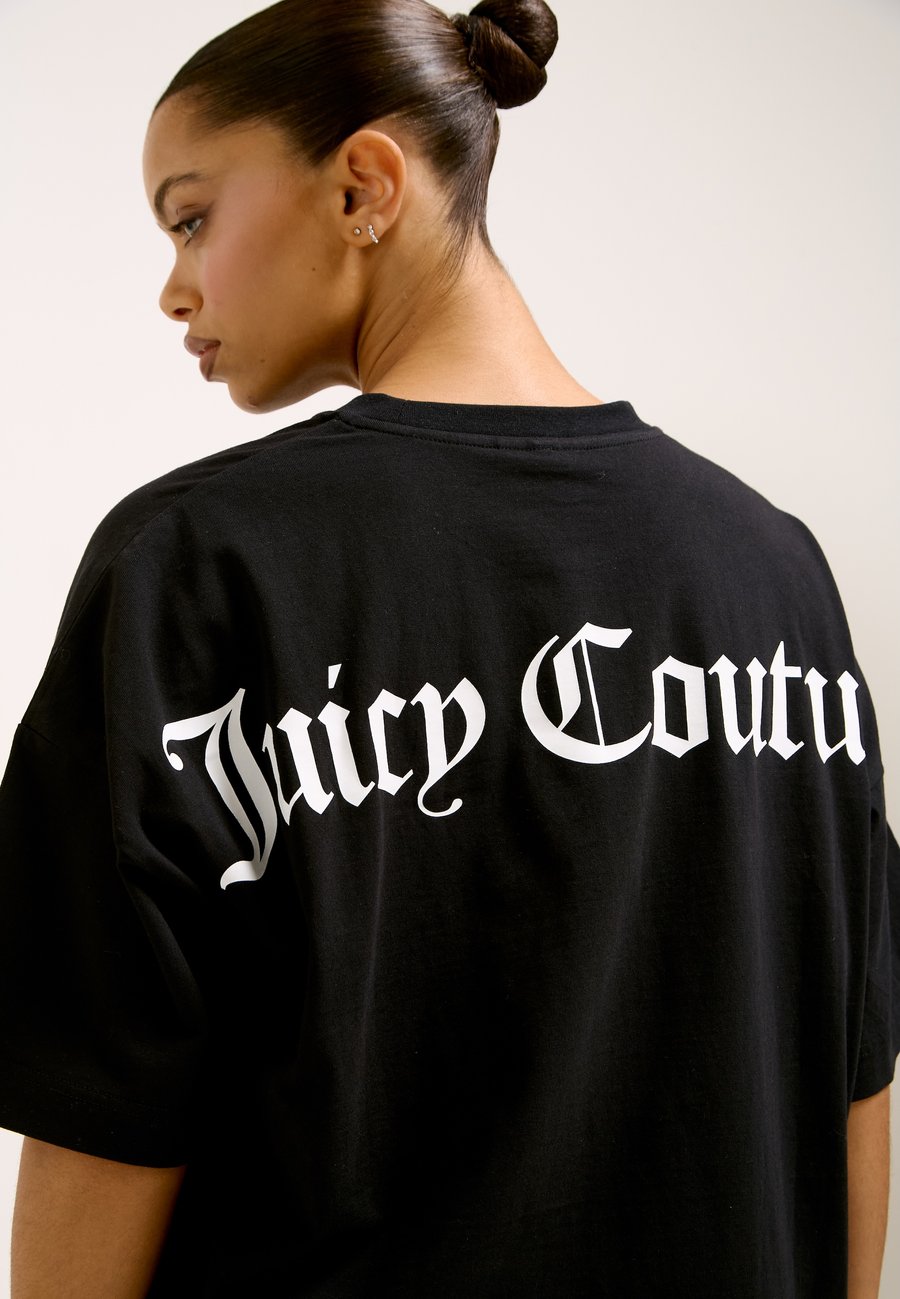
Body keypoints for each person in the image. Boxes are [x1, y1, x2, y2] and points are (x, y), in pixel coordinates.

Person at [0, 0, 897, 1294]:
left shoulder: (194, 568)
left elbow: (108, 1103)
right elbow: (857, 1066)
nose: (173, 287)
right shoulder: (777, 570)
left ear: (364, 185)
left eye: (191, 218)